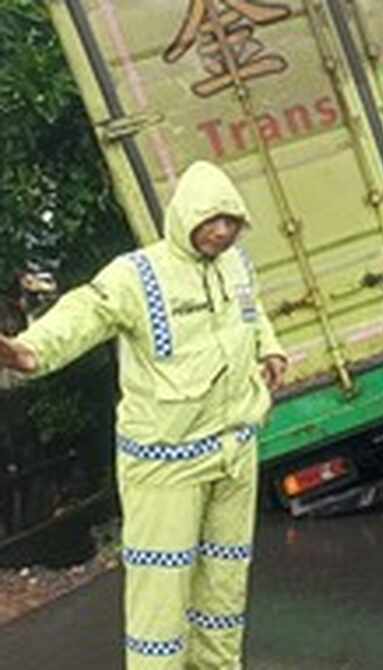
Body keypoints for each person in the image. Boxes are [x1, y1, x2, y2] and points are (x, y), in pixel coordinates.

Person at [0, 161, 287, 668]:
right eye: (211, 220)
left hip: (235, 451)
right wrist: (29, 352)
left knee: (224, 587)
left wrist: (271, 349)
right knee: (161, 592)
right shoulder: (138, 274)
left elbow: (251, 312)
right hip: (165, 466)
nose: (221, 231)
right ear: (184, 217)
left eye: (230, 220)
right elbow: (87, 310)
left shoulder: (236, 264)